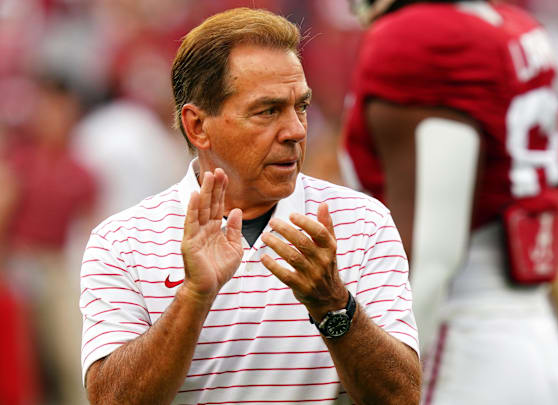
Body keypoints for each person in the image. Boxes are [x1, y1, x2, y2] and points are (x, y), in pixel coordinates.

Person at [79, 7, 421, 405]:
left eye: (302, 106)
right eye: (268, 110)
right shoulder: (122, 241)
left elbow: (403, 398)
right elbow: (111, 401)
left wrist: (333, 306)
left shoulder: (363, 223)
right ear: (198, 126)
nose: (295, 130)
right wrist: (193, 297)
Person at [342, 1, 558, 404]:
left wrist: (383, 378)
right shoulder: (509, 23)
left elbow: (434, 254)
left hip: (457, 343)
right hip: (534, 336)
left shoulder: (422, 36)